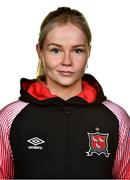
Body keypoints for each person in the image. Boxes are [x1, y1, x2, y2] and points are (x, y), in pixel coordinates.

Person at [0, 7, 130, 179]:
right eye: (56, 50)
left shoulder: (117, 118)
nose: (67, 61)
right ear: (40, 52)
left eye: (77, 50)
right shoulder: (10, 118)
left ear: (88, 52)